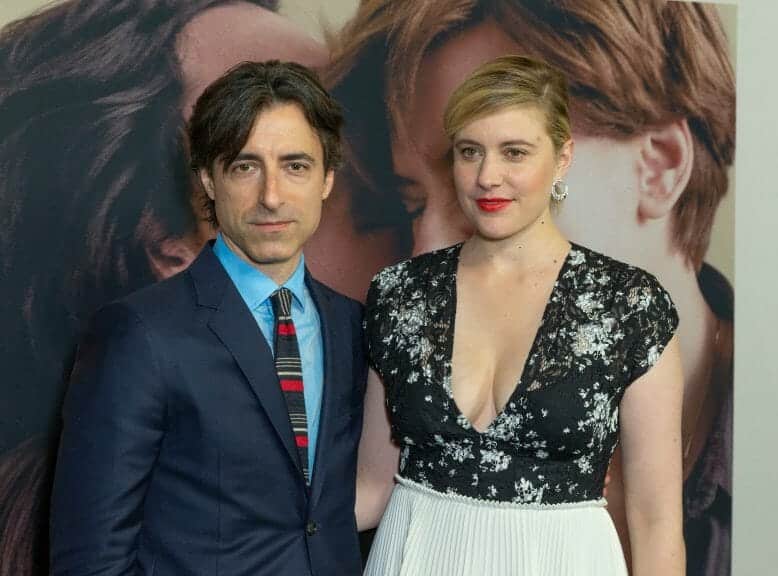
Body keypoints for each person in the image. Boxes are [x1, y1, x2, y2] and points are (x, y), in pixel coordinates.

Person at [328, 2, 734, 573]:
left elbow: (654, 527)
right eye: (468, 154)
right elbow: (371, 487)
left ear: (560, 157)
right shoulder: (400, 293)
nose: (487, 177)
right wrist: (227, 518)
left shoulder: (631, 308)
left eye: (515, 151)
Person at [49, 60, 366, 576]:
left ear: (327, 179)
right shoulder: (139, 333)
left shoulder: (352, 327)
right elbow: (90, 558)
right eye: (245, 166)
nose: (272, 196)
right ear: (207, 179)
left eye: (296, 165)